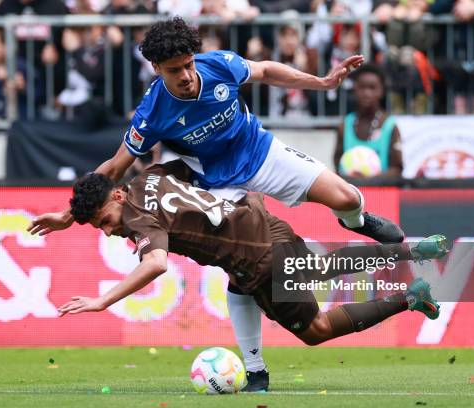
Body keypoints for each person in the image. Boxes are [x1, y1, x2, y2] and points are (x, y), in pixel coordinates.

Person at [28, 17, 403, 392]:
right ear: (157, 70)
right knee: (238, 268)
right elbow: (112, 168)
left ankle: (355, 222)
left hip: (259, 152)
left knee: (347, 197)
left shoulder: (218, 65)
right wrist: (68, 214)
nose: (187, 75)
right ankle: (255, 369)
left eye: (189, 64)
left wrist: (319, 82)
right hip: (217, 181)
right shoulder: (152, 111)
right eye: (175, 71)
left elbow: (266, 70)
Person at [55, 161, 445, 354]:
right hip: (260, 220)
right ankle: (410, 250)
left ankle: (410, 297)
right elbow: (203, 164)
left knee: (316, 331)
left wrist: (102, 301)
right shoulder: (149, 175)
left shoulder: (139, 219)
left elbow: (155, 263)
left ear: (118, 197)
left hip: (255, 259)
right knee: (313, 269)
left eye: (104, 221)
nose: (107, 230)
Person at [334, 64, 403, 178]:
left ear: (381, 91)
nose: (366, 93)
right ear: (354, 90)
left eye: (372, 88)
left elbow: (397, 169)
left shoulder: (390, 126)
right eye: (362, 87)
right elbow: (338, 165)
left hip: (382, 193)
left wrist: (368, 180)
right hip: (352, 193)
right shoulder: (345, 125)